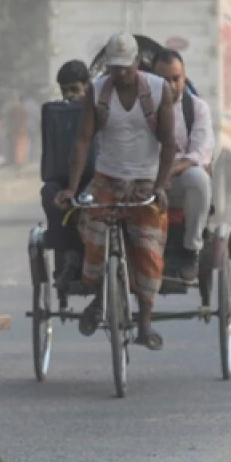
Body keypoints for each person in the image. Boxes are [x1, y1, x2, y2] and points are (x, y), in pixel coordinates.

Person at [56, 32, 177, 351]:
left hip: (145, 182)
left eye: (126, 67)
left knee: (149, 250)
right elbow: (82, 141)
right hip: (107, 180)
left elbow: (169, 142)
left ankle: (146, 322)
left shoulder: (157, 89)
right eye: (114, 67)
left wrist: (162, 186)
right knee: (91, 233)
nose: (120, 73)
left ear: (137, 63)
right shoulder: (97, 92)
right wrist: (71, 187)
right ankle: (98, 296)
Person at [152, 49, 215, 282]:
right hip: (144, 179)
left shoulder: (196, 109)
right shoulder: (141, 106)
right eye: (163, 79)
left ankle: (190, 251)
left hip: (177, 180)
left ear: (184, 78)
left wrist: (169, 171)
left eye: (175, 79)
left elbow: (200, 153)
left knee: (199, 179)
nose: (169, 85)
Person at [39, 60, 93, 287]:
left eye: (75, 90)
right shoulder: (57, 114)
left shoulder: (101, 108)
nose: (70, 96)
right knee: (49, 192)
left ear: (87, 86)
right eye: (65, 91)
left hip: (96, 178)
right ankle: (68, 255)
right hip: (67, 180)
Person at [4, 92, 31, 170]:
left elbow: (10, 119)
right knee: (22, 147)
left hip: (15, 130)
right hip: (23, 130)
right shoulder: (25, 109)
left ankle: (16, 162)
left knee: (16, 146)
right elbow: (27, 120)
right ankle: (20, 162)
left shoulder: (13, 108)